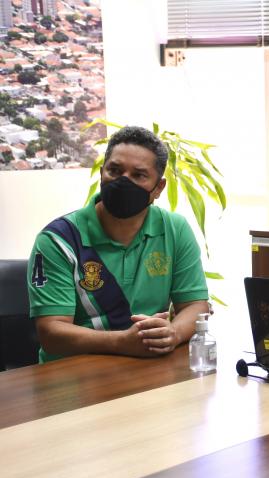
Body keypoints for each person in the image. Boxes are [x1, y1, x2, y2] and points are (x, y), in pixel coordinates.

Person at [27, 126, 209, 362]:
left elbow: (195, 305)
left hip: (144, 370)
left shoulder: (174, 229)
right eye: (115, 170)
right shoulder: (58, 240)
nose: (123, 181)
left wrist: (172, 333)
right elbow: (51, 333)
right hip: (72, 376)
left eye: (139, 175)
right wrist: (123, 341)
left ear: (159, 188)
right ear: (102, 173)